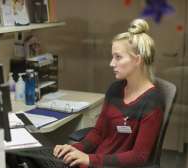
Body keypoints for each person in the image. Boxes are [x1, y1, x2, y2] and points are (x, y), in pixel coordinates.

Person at [53, 18, 164, 168]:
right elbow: (99, 133)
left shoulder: (152, 101)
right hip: (97, 161)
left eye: (118, 57)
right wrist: (75, 150)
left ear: (137, 60)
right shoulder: (115, 89)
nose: (112, 63)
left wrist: (90, 160)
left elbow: (139, 157)